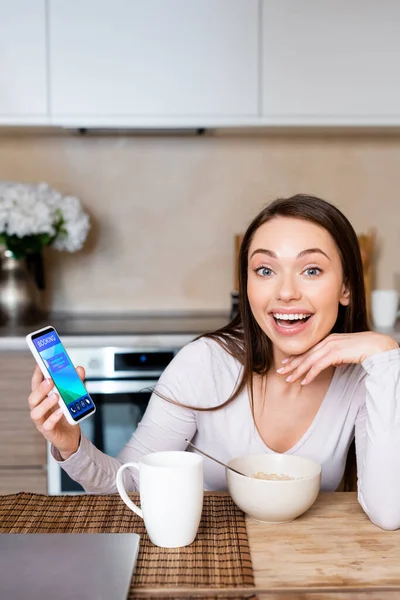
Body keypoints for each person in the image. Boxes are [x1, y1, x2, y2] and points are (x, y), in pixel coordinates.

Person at [28, 194, 400, 530]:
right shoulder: (204, 364)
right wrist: (70, 443)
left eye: (312, 270)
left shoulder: (368, 377)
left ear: (347, 287)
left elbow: (389, 511)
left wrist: (385, 354)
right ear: (246, 284)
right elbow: (125, 487)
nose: (286, 292)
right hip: (206, 555)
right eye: (265, 271)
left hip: (312, 563)